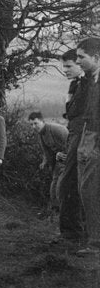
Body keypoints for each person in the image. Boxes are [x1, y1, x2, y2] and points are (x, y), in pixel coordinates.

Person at [53, 49, 87, 243]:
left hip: (82, 135)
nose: (64, 70)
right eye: (63, 66)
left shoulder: (87, 85)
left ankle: (73, 233)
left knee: (70, 184)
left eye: (68, 66)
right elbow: (70, 113)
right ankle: (71, 232)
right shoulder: (75, 85)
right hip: (74, 135)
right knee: (68, 184)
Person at [73, 37, 100, 256]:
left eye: (82, 57)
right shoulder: (90, 80)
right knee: (86, 189)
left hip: (95, 139)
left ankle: (95, 243)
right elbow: (76, 111)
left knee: (89, 190)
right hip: (88, 137)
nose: (78, 61)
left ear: (96, 57)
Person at [28, 111, 68, 218]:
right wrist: (45, 162)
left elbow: (73, 143)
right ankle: (56, 211)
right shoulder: (41, 135)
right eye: (31, 124)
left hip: (70, 161)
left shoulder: (57, 130)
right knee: (54, 185)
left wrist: (64, 154)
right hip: (59, 162)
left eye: (36, 123)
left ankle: (64, 212)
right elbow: (46, 151)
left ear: (43, 121)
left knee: (61, 185)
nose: (34, 126)